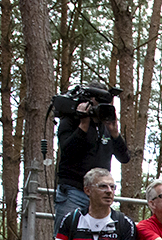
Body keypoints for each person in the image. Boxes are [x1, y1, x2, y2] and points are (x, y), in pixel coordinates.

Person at [54, 83, 130, 231]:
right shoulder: (70, 121)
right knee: (65, 235)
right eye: (98, 101)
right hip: (73, 190)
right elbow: (68, 151)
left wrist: (115, 134)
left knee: (95, 239)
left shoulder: (106, 126)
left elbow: (124, 157)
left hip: (99, 194)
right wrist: (83, 125)